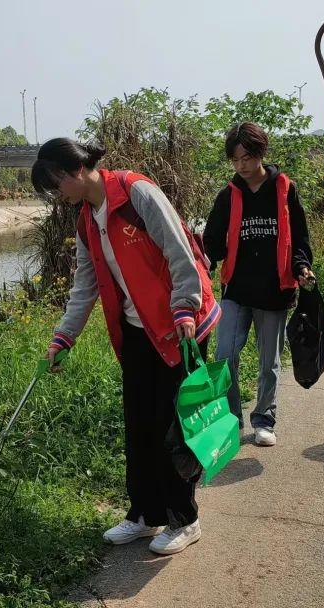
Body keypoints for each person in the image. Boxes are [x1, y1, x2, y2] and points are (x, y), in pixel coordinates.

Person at [34, 138, 220, 555]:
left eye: (55, 184)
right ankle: (144, 515)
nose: (57, 195)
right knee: (139, 423)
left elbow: (179, 252)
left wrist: (185, 308)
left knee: (175, 426)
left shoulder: (136, 192)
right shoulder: (85, 221)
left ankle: (185, 519)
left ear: (74, 172)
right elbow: (85, 287)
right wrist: (64, 337)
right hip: (137, 333)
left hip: (179, 325)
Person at [203, 122, 315, 447]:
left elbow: (299, 238)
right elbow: (212, 238)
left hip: (274, 290)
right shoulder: (228, 194)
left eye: (248, 157)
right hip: (236, 289)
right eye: (236, 159)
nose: (243, 165)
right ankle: (232, 419)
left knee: (270, 362)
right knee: (225, 356)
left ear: (260, 153)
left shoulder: (284, 189)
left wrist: (302, 267)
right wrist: (208, 260)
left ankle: (264, 419)